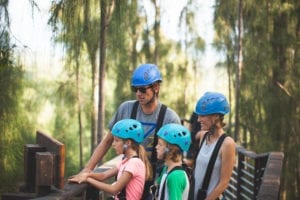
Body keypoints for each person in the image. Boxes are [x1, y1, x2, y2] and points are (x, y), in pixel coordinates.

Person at [70, 63, 181, 198]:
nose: (139, 94)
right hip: (126, 181)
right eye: (135, 89)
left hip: (154, 186)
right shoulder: (126, 109)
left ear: (156, 88)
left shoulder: (170, 118)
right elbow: (107, 142)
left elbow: (175, 157)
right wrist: (87, 170)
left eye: (143, 89)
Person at [69, 119, 152, 200]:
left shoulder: (134, 163)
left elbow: (114, 189)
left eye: (116, 141)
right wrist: (87, 175)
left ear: (127, 143)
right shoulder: (126, 161)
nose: (113, 144)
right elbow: (103, 176)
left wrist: (88, 179)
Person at [190, 92, 236, 200]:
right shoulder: (203, 136)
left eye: (202, 116)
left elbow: (224, 183)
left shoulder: (227, 143)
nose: (198, 120)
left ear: (216, 116)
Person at [154, 123, 192, 200]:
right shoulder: (166, 169)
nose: (156, 147)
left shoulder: (176, 176)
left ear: (172, 150)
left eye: (160, 145)